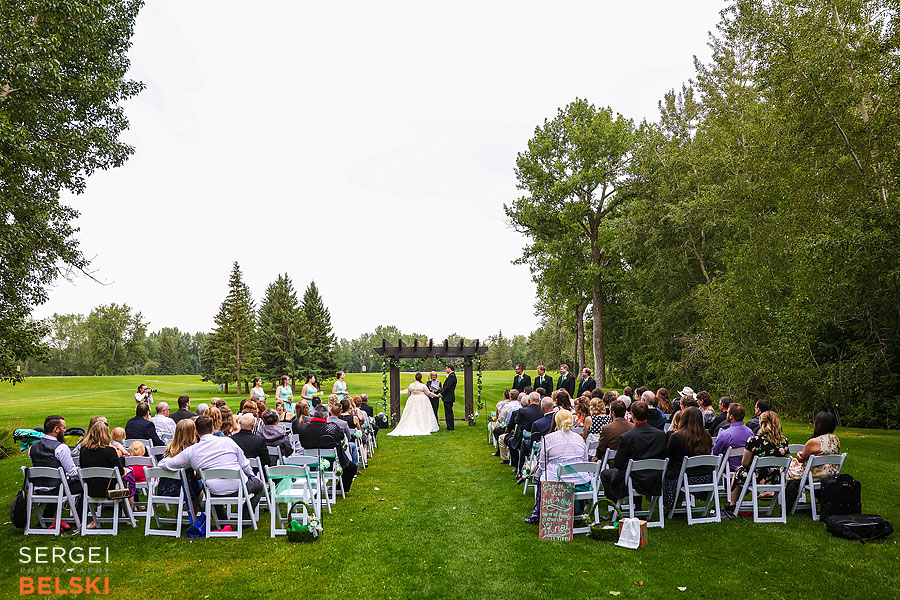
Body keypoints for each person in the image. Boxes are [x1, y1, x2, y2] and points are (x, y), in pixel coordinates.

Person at [158, 415, 265, 514]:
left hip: (214, 490)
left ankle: (222, 520)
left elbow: (166, 463)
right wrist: (253, 476)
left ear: (196, 431)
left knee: (208, 487)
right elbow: (244, 464)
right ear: (213, 429)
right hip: (238, 487)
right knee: (259, 485)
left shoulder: (192, 451)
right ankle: (244, 516)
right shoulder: (228, 442)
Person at [524, 410, 588, 524]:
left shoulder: (548, 439)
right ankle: (577, 512)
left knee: (542, 475)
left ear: (556, 422)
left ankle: (537, 513)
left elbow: (543, 464)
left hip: (556, 483)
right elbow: (585, 461)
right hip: (580, 482)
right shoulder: (580, 439)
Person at [599, 401, 667, 505]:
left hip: (634, 480)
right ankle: (637, 507)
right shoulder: (660, 435)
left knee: (605, 474)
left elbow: (618, 463)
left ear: (632, 415)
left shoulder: (628, 437)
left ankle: (615, 508)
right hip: (654, 478)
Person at [726, 411, 790, 511]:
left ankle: (732, 503)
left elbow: (745, 463)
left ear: (761, 423)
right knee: (744, 473)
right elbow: (785, 458)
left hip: (756, 476)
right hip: (775, 477)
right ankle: (735, 501)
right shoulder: (784, 441)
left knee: (739, 472)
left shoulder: (754, 440)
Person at [28, 415, 83, 528]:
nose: (65, 431)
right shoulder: (61, 448)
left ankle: (47, 517)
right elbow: (73, 472)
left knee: (60, 483)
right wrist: (84, 474)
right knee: (86, 485)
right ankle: (79, 518)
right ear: (56, 429)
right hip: (57, 488)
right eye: (63, 428)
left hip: (38, 488)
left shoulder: (32, 447)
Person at [297, 404, 358, 492]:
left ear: (313, 415)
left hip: (310, 461)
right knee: (351, 467)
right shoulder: (332, 427)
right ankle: (341, 489)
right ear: (326, 417)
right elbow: (341, 436)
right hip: (331, 461)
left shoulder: (303, 428)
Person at [663, 407, 714, 510]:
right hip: (705, 477)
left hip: (683, 478)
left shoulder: (677, 437)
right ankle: (677, 503)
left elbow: (668, 457)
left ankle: (673, 504)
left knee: (671, 473)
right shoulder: (707, 436)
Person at [79, 421, 129, 505]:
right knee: (128, 476)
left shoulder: (84, 451)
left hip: (90, 489)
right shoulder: (110, 451)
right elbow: (120, 472)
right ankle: (129, 510)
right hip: (109, 489)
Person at [787, 411, 841, 482]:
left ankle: (782, 491)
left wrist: (799, 454)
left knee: (785, 467)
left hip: (813, 475)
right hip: (830, 475)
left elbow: (801, 459)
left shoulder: (815, 442)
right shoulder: (835, 439)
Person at [388, 373, 440, 437]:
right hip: (422, 400)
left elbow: (409, 393)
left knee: (412, 413)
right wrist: (436, 395)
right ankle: (422, 426)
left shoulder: (411, 385)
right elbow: (428, 393)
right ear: (420, 378)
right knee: (422, 413)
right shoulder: (423, 385)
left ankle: (412, 425)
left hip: (412, 399)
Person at [712, 403, 754, 470]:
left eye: (727, 413)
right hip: (747, 469)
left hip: (728, 468)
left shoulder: (725, 434)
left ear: (731, 416)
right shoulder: (751, 433)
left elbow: (715, 453)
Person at [438, 364, 457, 431]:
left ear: (449, 368)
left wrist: (441, 393)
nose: (446, 370)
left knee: (448, 412)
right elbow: (447, 387)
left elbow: (448, 387)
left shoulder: (451, 376)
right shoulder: (452, 376)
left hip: (448, 397)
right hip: (448, 397)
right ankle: (449, 426)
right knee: (448, 412)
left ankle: (450, 427)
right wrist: (440, 389)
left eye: (446, 368)